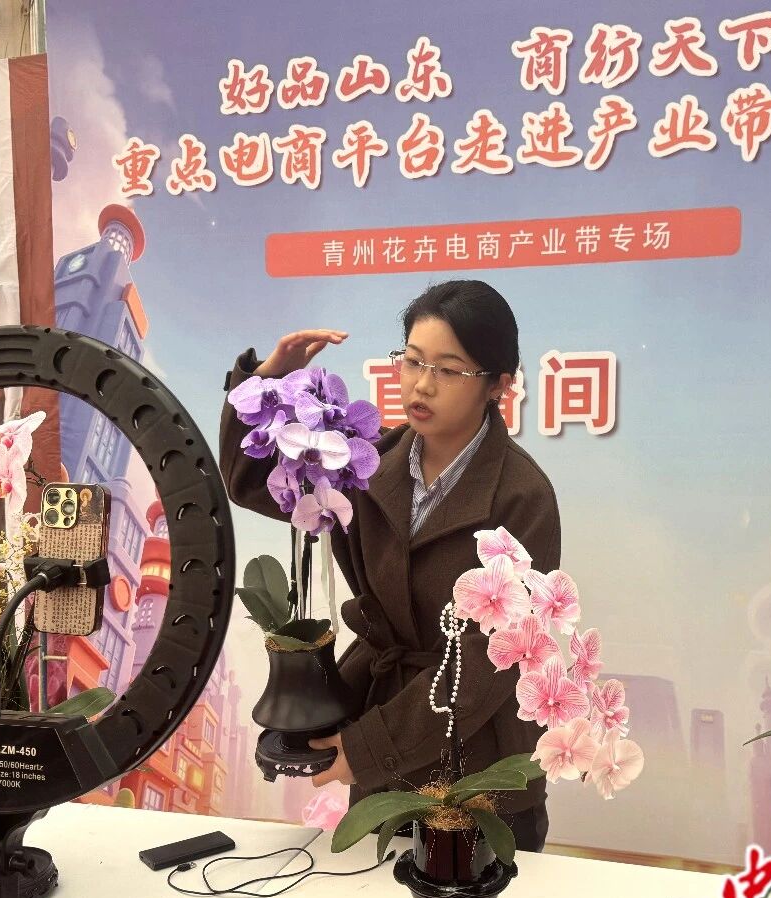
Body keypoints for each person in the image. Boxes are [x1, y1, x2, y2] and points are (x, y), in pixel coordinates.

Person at [218, 279, 561, 852]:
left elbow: (491, 661)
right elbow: (251, 481)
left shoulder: (523, 497)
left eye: (449, 370)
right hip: (383, 732)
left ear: (500, 384)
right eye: (413, 360)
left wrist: (369, 748)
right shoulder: (367, 460)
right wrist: (267, 381)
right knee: (372, 897)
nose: (422, 384)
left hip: (478, 761)